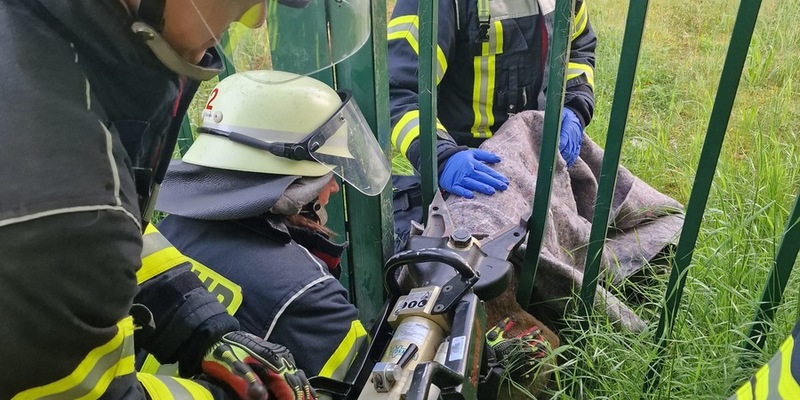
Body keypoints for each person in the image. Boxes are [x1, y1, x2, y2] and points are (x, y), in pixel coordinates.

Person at [0, 0, 367, 397]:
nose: (257, 17)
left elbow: (118, 241)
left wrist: (201, 326)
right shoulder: (70, 192)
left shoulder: (56, 63)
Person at [152, 70, 391, 395]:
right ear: (293, 191)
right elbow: (370, 384)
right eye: (324, 175)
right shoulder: (305, 292)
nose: (333, 186)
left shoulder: (163, 234)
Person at [387, 0, 597, 249]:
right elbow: (397, 90)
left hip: (536, 152)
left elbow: (578, 46)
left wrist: (574, 106)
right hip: (466, 165)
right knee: (469, 262)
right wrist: (441, 156)